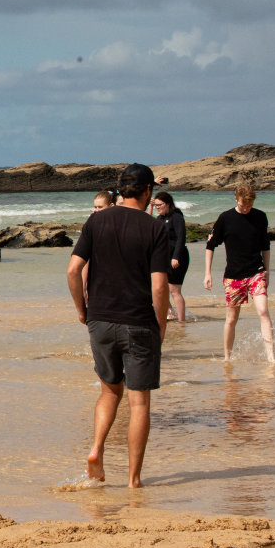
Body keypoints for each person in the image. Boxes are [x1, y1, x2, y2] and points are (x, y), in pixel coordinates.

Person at [65, 163, 171, 488]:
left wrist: (82, 310)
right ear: (148, 191)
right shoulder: (155, 228)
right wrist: (161, 325)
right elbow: (159, 286)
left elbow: (72, 271)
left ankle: (96, 449)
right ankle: (134, 480)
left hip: (100, 319)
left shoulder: (96, 221)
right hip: (138, 322)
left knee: (109, 391)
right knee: (139, 402)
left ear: (120, 189)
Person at [203, 184, 275, 362]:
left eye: (249, 206)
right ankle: (227, 357)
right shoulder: (225, 218)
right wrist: (207, 273)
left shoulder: (260, 217)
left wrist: (267, 271)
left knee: (263, 311)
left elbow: (265, 246)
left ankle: (271, 357)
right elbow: (210, 245)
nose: (246, 209)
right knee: (232, 318)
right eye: (243, 205)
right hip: (233, 275)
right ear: (236, 199)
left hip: (256, 272)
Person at [152, 191, 190, 323]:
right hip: (164, 257)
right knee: (160, 287)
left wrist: (176, 256)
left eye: (159, 205)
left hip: (178, 257)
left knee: (174, 290)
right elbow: (148, 225)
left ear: (167, 204)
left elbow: (181, 238)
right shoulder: (159, 219)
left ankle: (181, 321)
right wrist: (150, 207)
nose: (157, 207)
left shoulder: (176, 217)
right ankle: (170, 312)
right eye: (156, 205)